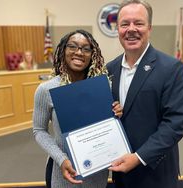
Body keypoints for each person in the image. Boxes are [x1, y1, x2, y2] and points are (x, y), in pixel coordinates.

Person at [106, 1, 183, 188]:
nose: (131, 29)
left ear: (150, 28)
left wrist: (139, 157)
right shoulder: (109, 69)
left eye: (138, 23)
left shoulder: (171, 68)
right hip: (120, 172)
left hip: (155, 172)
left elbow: (176, 123)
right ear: (118, 29)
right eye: (125, 24)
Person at [33, 29, 123, 188]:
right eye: (73, 46)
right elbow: (39, 130)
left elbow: (110, 127)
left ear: (92, 54)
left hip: (96, 172)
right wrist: (61, 159)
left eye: (85, 48)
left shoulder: (103, 88)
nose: (79, 52)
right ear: (63, 50)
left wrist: (117, 114)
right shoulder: (46, 89)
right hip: (63, 171)